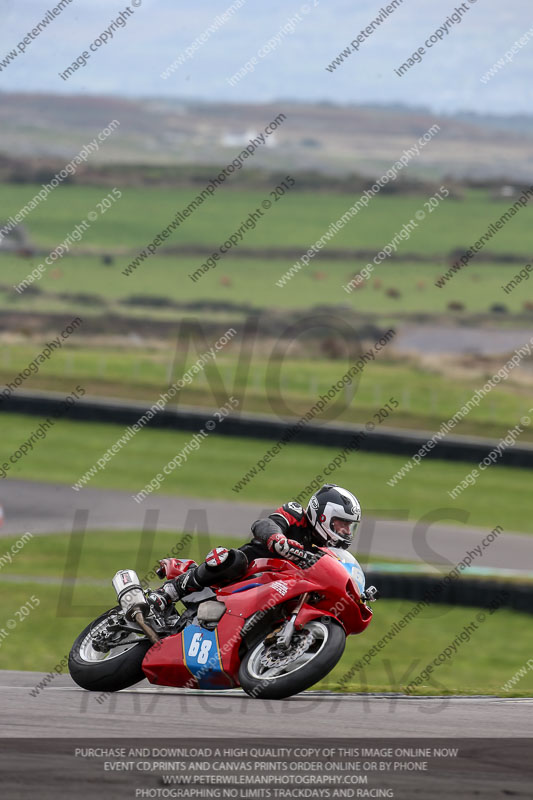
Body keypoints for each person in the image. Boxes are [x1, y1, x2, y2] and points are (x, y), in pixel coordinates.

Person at [147, 484, 361, 611]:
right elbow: (264, 524)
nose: (345, 531)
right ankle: (170, 592)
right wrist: (278, 539)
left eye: (349, 526)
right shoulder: (296, 514)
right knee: (232, 559)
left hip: (277, 590)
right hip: (247, 571)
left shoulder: (326, 553)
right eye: (342, 524)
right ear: (323, 515)